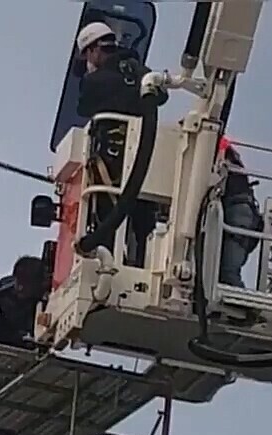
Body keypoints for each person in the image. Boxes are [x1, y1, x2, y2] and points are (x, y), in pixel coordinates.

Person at [75, 22, 167, 267]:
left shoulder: (95, 81)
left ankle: (108, 262)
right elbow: (161, 96)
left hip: (112, 168)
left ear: (94, 49)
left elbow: (83, 108)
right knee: (143, 223)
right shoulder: (140, 71)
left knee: (108, 219)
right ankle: (143, 263)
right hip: (145, 165)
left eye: (87, 54)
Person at [0, 256, 49, 349]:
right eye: (19, 282)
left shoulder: (44, 296)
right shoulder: (5, 287)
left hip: (28, 339)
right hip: (8, 333)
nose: (20, 288)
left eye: (25, 284)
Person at [218, 138, 264, 288]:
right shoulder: (225, 150)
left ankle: (248, 308)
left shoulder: (215, 145)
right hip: (239, 208)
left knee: (227, 274)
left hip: (237, 209)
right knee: (224, 273)